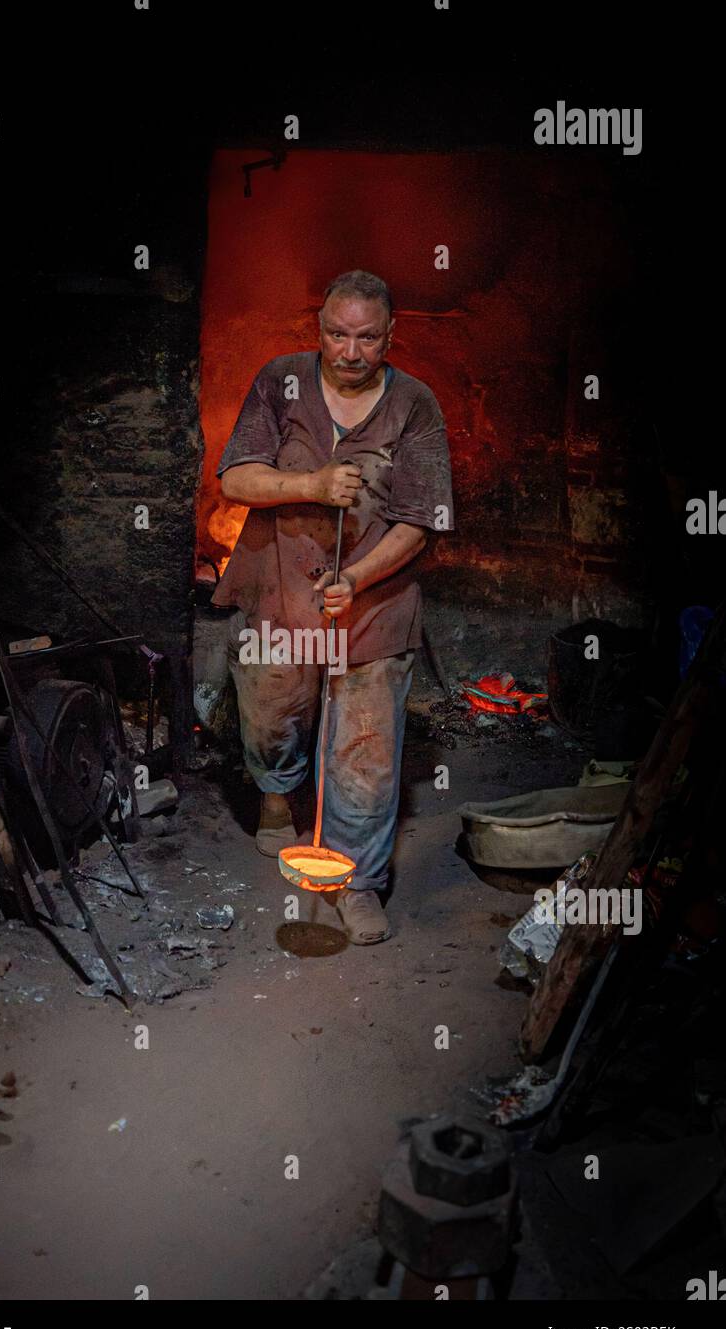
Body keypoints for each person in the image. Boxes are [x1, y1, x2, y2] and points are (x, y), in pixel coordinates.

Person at [212, 270, 453, 943]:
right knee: (271, 713)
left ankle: (356, 880)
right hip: (280, 584)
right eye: (337, 334)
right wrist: (312, 484)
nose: (350, 351)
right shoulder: (280, 380)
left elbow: (422, 517)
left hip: (373, 603)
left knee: (366, 752)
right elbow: (234, 478)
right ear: (318, 329)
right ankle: (276, 790)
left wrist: (362, 575)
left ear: (390, 336)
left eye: (367, 337)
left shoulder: (414, 404)